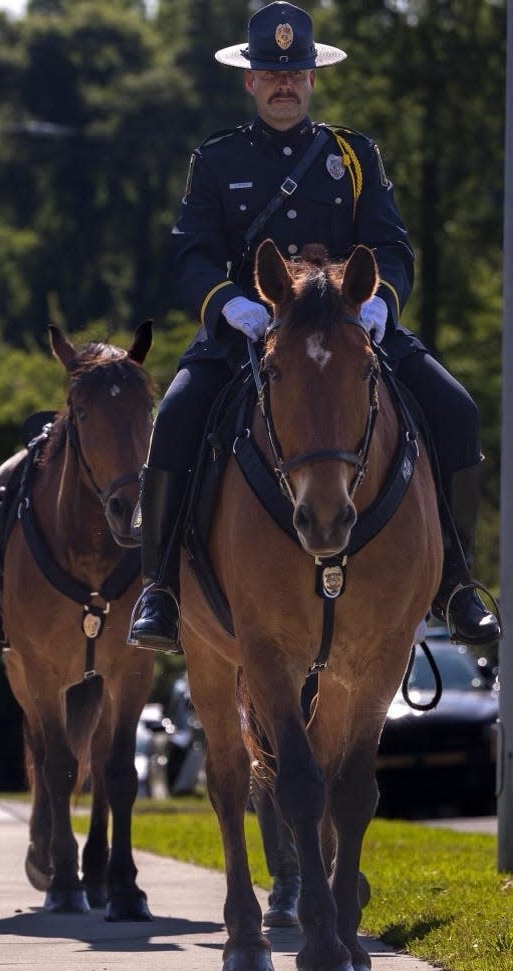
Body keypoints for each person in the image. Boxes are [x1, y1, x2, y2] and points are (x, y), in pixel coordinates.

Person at [127, 0, 500, 658]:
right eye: (271, 72)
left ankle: (457, 581)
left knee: (454, 408)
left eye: (294, 70)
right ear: (249, 80)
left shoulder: (352, 156)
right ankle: (157, 585)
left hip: (351, 326)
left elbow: (390, 246)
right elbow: (190, 253)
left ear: (311, 78)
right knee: (178, 417)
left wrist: (381, 302)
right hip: (248, 330)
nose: (283, 83)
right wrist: (227, 305)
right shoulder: (215, 161)